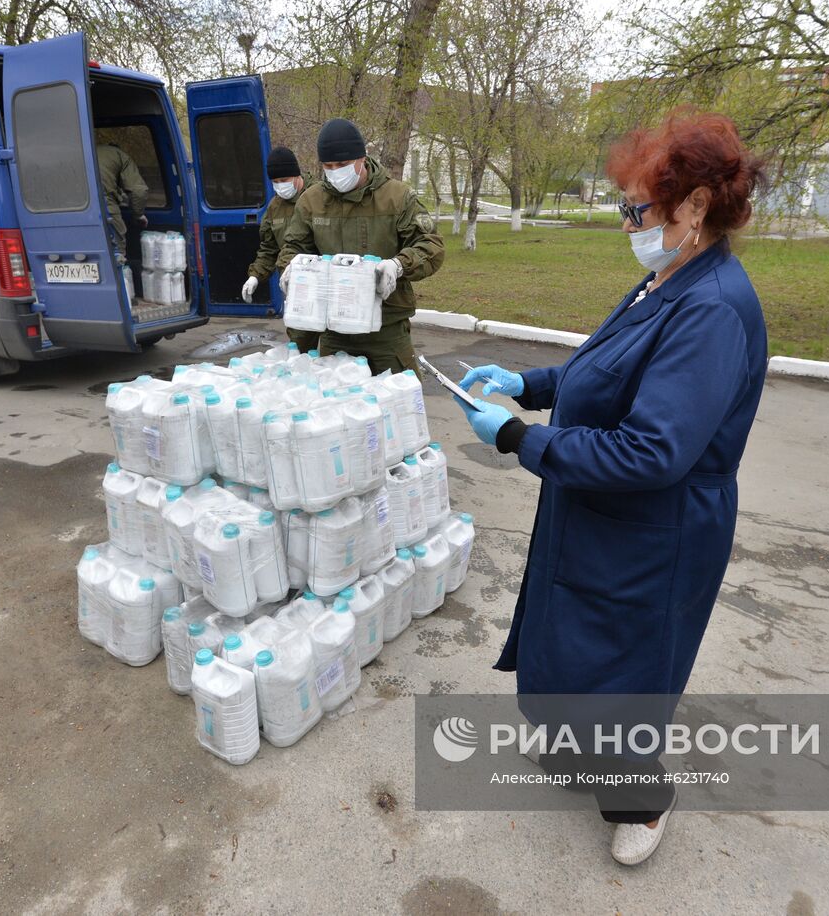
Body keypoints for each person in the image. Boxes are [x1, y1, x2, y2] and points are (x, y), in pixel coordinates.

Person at [455, 109, 768, 866]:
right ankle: (573, 750)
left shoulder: (713, 309)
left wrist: (520, 437)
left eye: (637, 208)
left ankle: (642, 799)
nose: (625, 222)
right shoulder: (666, 275)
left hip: (655, 530)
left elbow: (651, 450)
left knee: (619, 673)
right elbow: (604, 373)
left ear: (694, 207)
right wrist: (528, 384)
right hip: (597, 509)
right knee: (568, 644)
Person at [275, 118, 444, 374]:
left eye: (342, 164)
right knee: (336, 405)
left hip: (385, 329)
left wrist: (398, 265)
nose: (335, 171)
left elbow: (431, 245)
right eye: (328, 166)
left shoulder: (396, 197)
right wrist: (291, 267)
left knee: (398, 402)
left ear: (361, 158)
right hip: (333, 328)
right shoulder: (312, 201)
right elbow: (294, 246)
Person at [242, 147, 316, 350]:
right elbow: (269, 248)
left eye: (285, 179)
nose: (280, 185)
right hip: (295, 289)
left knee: (332, 349)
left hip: (322, 283)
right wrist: (255, 275)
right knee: (301, 345)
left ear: (297, 175)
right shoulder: (275, 208)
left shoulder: (318, 197)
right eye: (275, 182)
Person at [96, 142, 149, 241]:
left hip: (70, 212)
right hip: (107, 207)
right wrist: (139, 215)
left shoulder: (80, 152)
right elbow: (138, 190)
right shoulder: (119, 155)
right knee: (116, 251)